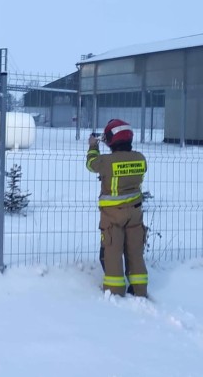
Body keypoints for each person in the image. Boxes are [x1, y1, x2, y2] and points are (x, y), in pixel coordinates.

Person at [86, 119, 149, 297]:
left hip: (113, 215)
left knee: (112, 252)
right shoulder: (140, 158)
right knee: (135, 251)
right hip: (135, 214)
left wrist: (93, 146)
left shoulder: (106, 161)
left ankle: (115, 291)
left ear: (112, 140)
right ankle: (139, 289)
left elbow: (91, 164)